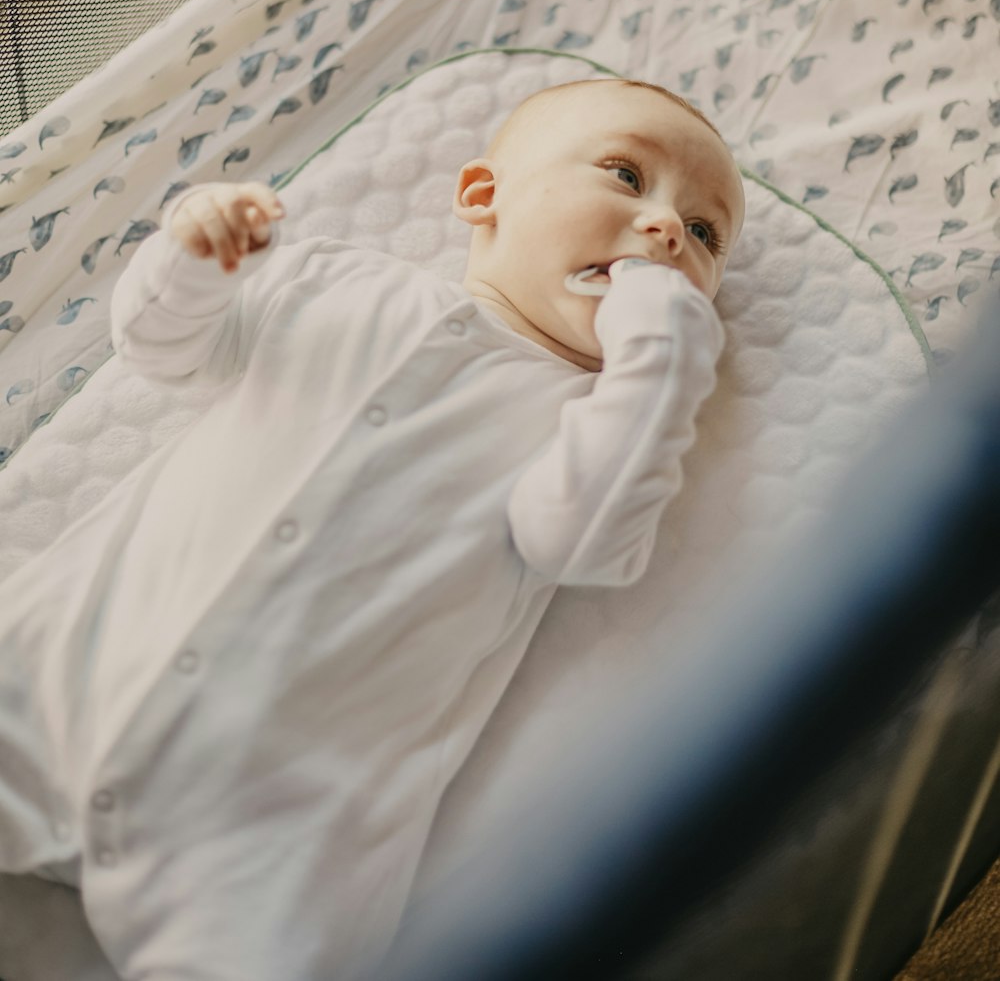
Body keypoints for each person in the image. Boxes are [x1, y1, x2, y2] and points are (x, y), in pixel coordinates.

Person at [0, 75, 744, 981]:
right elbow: (164, 349)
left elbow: (580, 539)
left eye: (705, 235)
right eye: (627, 176)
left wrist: (665, 357)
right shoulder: (341, 284)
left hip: (268, 827)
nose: (667, 229)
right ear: (484, 196)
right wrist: (193, 256)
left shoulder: (600, 420)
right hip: (55, 684)